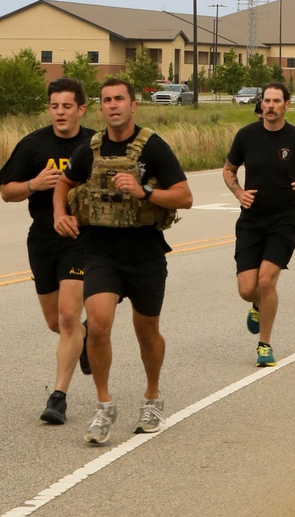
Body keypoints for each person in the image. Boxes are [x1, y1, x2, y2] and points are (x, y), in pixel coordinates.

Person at [52, 78, 192, 445]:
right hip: (101, 253)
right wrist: (58, 215)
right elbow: (64, 184)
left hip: (145, 254)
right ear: (101, 109)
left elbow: (185, 197)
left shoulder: (154, 147)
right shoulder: (90, 148)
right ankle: (104, 405)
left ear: (133, 105)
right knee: (97, 326)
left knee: (147, 332)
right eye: (107, 100)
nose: (113, 105)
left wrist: (144, 190)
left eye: (120, 99)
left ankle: (152, 396)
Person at [1, 77, 95, 425]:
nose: (59, 112)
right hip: (42, 239)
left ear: (81, 109)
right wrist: (32, 184)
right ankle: (84, 338)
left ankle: (58, 398)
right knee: (57, 322)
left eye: (66, 106)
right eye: (54, 106)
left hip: (81, 239)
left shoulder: (94, 145)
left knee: (69, 316)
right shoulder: (33, 145)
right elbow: (6, 192)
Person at [223, 82, 295, 367]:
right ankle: (257, 304)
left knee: (266, 280)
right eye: (266, 101)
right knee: (247, 289)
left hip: (283, 219)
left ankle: (264, 345)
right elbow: (229, 169)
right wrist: (238, 192)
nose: (270, 106)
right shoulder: (246, 136)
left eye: (275, 101)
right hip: (251, 220)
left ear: (287, 104)